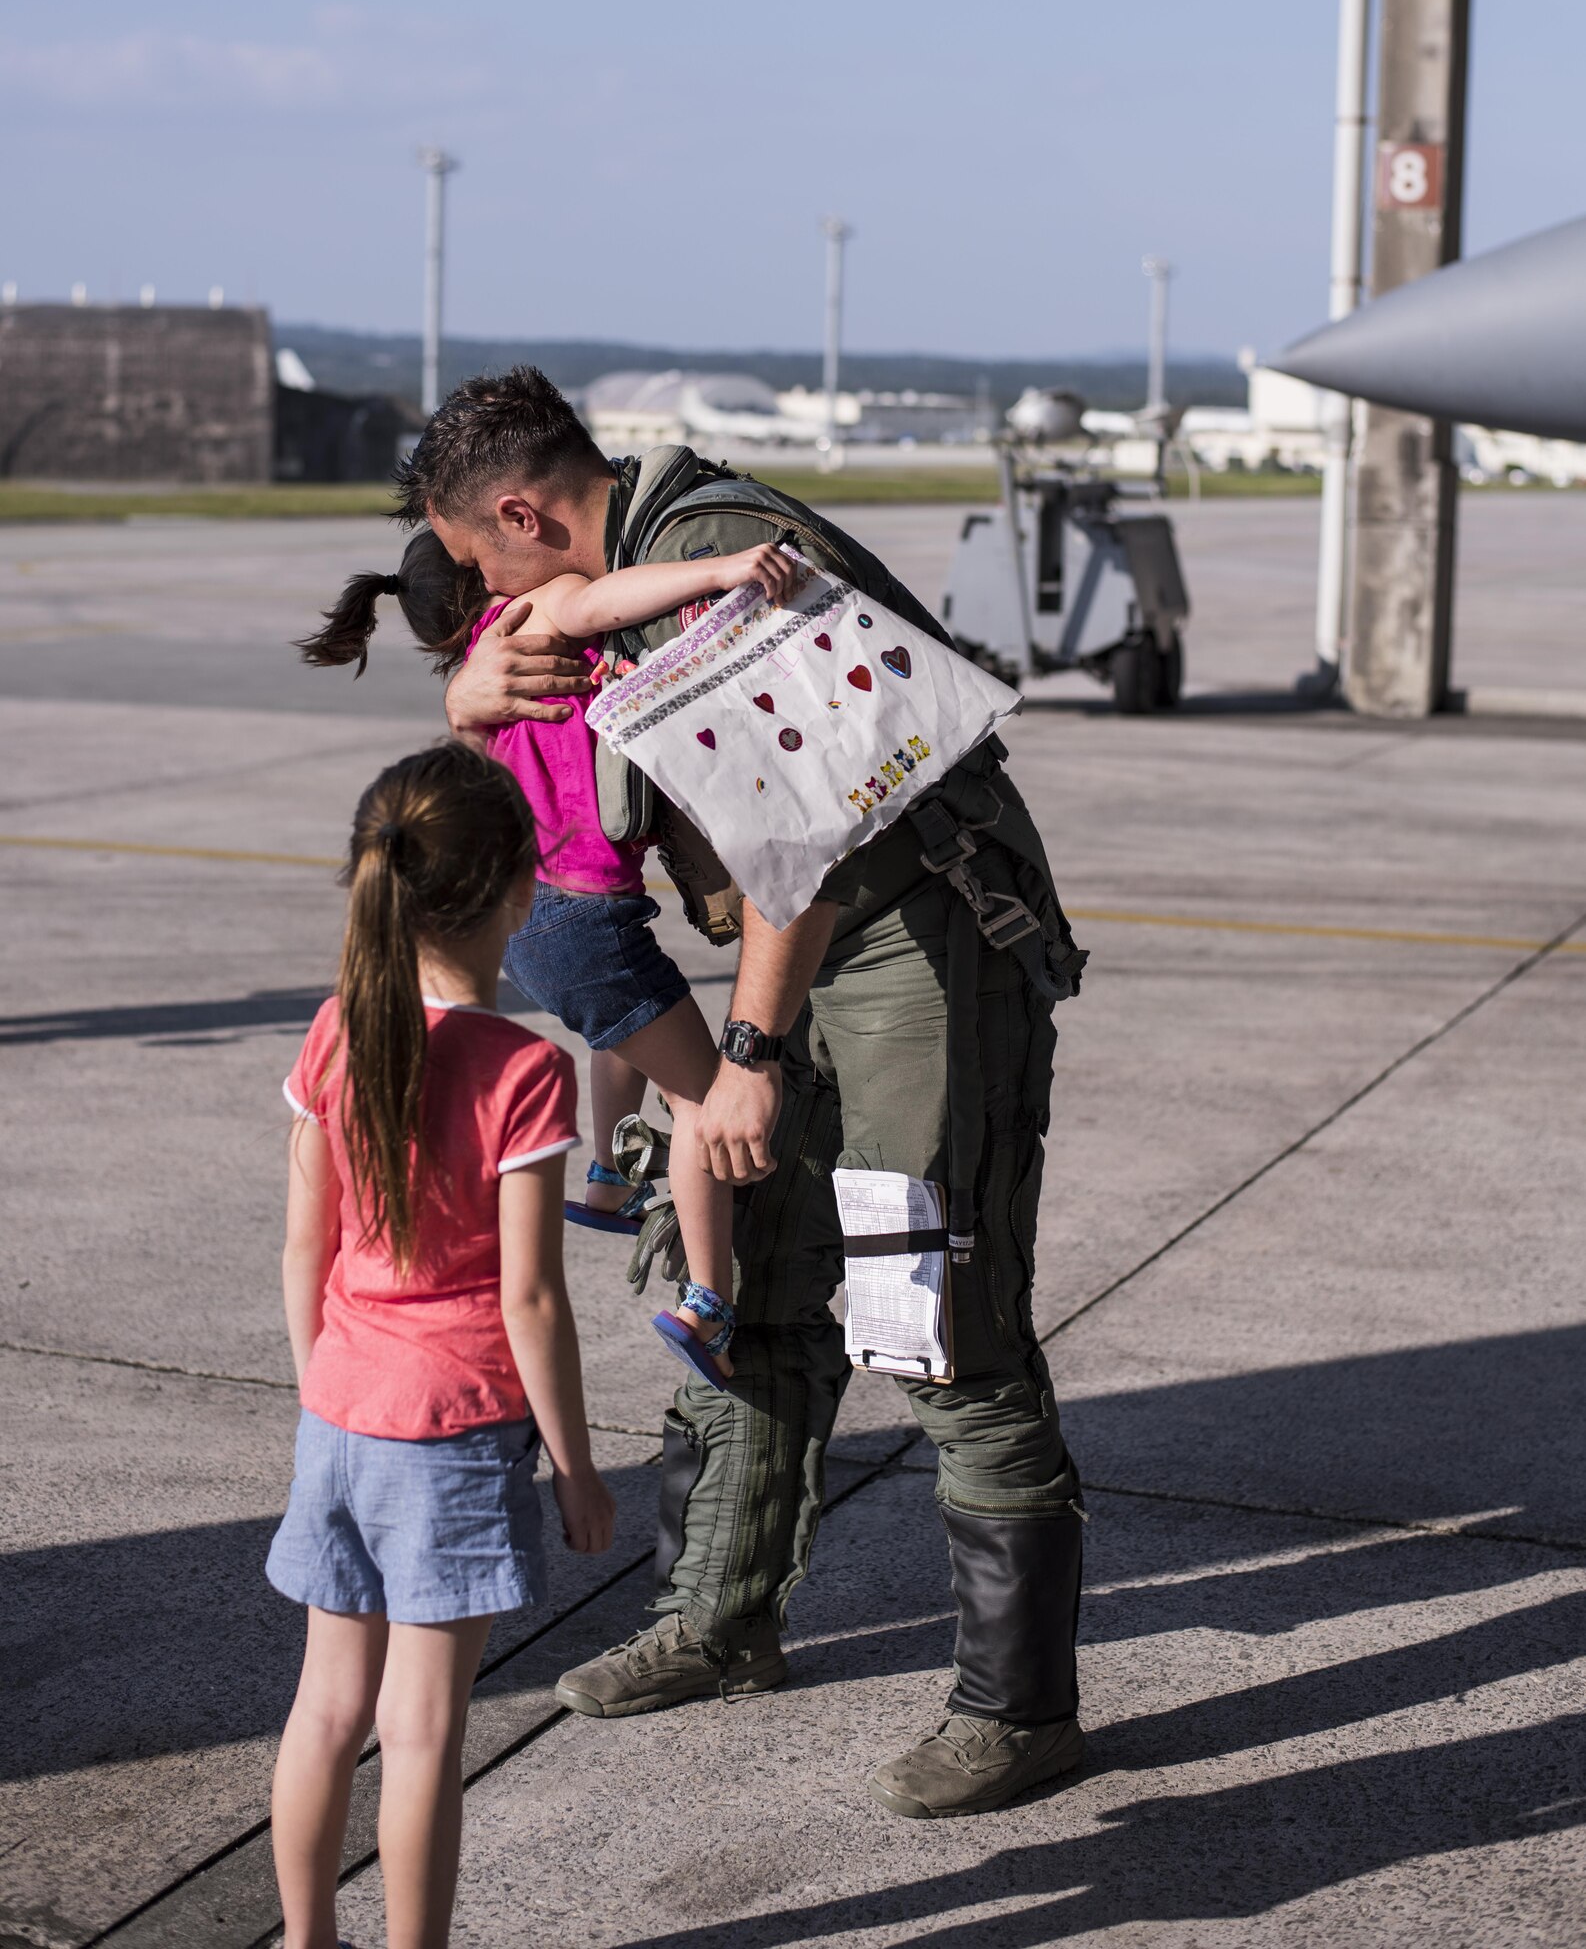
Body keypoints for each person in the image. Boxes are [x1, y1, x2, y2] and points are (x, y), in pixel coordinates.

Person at [403, 365, 1091, 1820]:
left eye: (480, 568)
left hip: (907, 948)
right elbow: (555, 789)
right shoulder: (628, 570)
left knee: (930, 1299)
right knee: (745, 1279)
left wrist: (753, 1062)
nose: (488, 602)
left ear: (522, 510)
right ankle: (719, 1622)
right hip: (797, 949)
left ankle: (1014, 1710)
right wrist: (469, 697)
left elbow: (807, 838)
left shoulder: (720, 557)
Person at [300, 533, 802, 1388]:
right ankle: (709, 1304)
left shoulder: (480, 674)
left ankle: (606, 1177)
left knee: (627, 1025)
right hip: (582, 919)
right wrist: (722, 570)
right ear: (483, 568)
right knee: (701, 1099)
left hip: (532, 922)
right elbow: (608, 600)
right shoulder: (531, 611)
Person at [264, 739, 615, 1948]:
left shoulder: (332, 1031)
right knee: (420, 1730)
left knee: (324, 1710)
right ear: (518, 892)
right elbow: (531, 1298)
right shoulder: (522, 1067)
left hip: (340, 1408)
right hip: (453, 1431)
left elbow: (304, 1248)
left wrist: (323, 1379)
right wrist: (574, 1464)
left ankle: (308, 1939)